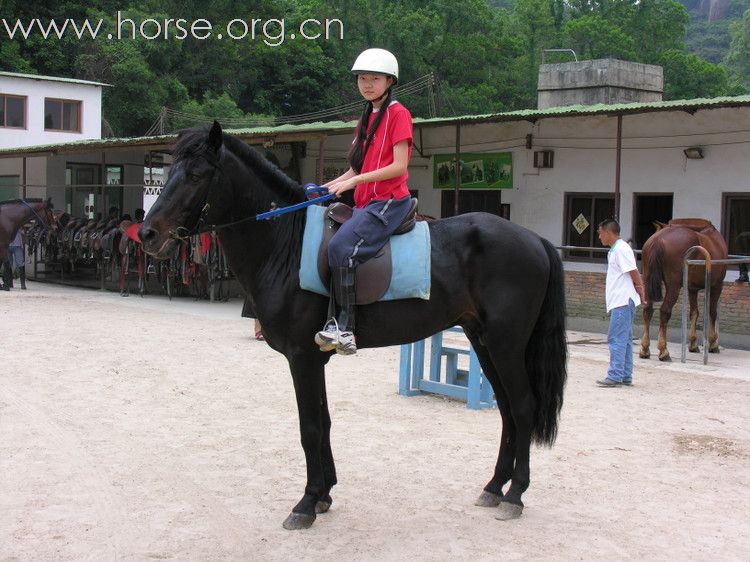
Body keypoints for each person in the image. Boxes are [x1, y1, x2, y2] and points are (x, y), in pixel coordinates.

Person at [314, 48, 414, 355]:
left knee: (341, 247)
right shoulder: (366, 116)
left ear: (389, 81)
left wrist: (355, 182)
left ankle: (346, 328)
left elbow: (399, 167)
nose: (367, 84)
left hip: (389, 200)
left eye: (374, 78)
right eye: (361, 78)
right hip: (366, 200)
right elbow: (357, 166)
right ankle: (332, 323)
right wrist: (328, 186)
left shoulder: (399, 113)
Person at [596, 218, 647, 387]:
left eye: (600, 233)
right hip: (621, 301)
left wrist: (640, 289)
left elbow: (633, 271)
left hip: (622, 301)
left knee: (616, 338)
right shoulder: (616, 249)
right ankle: (625, 375)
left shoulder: (621, 249)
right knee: (623, 339)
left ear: (608, 232)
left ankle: (615, 375)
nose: (599, 237)